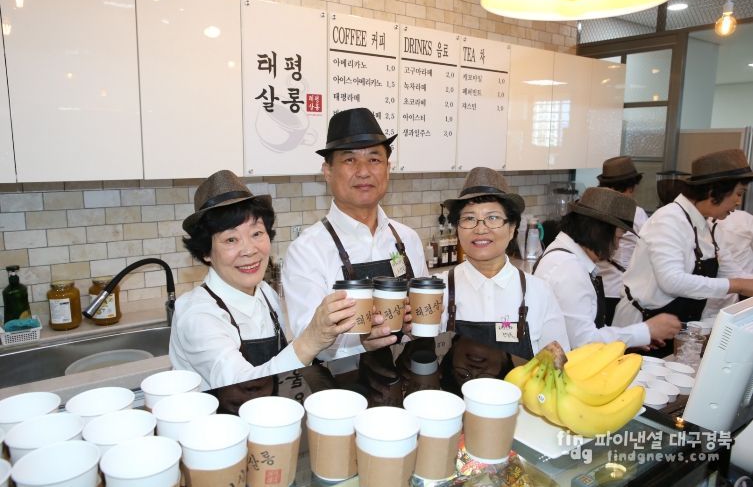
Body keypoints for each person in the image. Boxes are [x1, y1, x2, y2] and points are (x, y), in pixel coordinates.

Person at [169, 170, 361, 391]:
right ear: (206, 252)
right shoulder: (197, 314)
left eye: (257, 234)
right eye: (230, 239)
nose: (249, 250)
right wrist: (310, 340)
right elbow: (243, 387)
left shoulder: (265, 293)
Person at [283, 108, 428, 362]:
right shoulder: (306, 251)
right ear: (327, 171)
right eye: (349, 160)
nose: (363, 171)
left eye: (374, 159)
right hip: (340, 382)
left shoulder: (407, 239)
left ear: (388, 169)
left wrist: (416, 325)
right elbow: (307, 340)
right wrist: (360, 344)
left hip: (406, 373)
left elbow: (424, 316)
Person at [437, 167, 570, 361]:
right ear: (457, 228)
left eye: (493, 218)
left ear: (512, 228)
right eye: (469, 218)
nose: (480, 229)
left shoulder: (539, 293)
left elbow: (557, 366)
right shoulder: (436, 290)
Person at [614, 148, 753, 332]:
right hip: (642, 326)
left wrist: (742, 283)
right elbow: (671, 281)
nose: (738, 202)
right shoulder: (668, 219)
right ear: (714, 192)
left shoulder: (709, 226)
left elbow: (733, 273)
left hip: (676, 328)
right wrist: (737, 286)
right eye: (739, 193)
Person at [533, 187, 681, 349]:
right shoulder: (569, 269)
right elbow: (583, 342)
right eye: (618, 238)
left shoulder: (567, 258)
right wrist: (646, 330)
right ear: (599, 232)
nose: (617, 246)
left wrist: (631, 341)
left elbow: (584, 331)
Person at [596, 156, 649, 325]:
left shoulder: (593, 211)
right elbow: (649, 250)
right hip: (620, 290)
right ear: (631, 187)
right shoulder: (636, 213)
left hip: (595, 288)